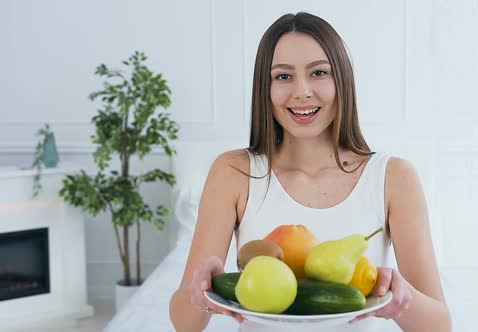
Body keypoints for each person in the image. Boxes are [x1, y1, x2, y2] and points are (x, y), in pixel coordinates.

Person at [169, 12, 451, 332]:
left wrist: (403, 298)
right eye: (283, 76)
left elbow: (439, 325)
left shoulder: (394, 178)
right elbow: (184, 323)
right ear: (266, 87)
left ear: (341, 81)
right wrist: (200, 292)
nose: (302, 91)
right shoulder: (233, 173)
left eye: (318, 72)